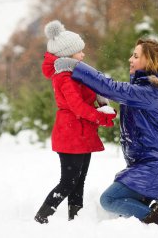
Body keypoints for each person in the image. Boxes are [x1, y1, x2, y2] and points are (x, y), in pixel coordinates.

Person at [54, 38, 158, 225]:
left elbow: (111, 88)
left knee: (109, 200)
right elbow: (111, 89)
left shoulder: (148, 92)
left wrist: (76, 66)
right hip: (154, 160)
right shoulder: (144, 89)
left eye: (136, 56)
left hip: (156, 162)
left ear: (149, 61)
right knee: (122, 194)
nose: (130, 59)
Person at [34, 20, 116, 224]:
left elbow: (84, 102)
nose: (83, 54)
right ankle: (42, 217)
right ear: (67, 55)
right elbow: (77, 106)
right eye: (79, 51)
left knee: (78, 181)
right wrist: (101, 116)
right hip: (71, 133)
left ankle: (76, 219)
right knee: (68, 182)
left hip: (81, 133)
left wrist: (101, 107)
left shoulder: (74, 73)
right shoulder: (64, 77)